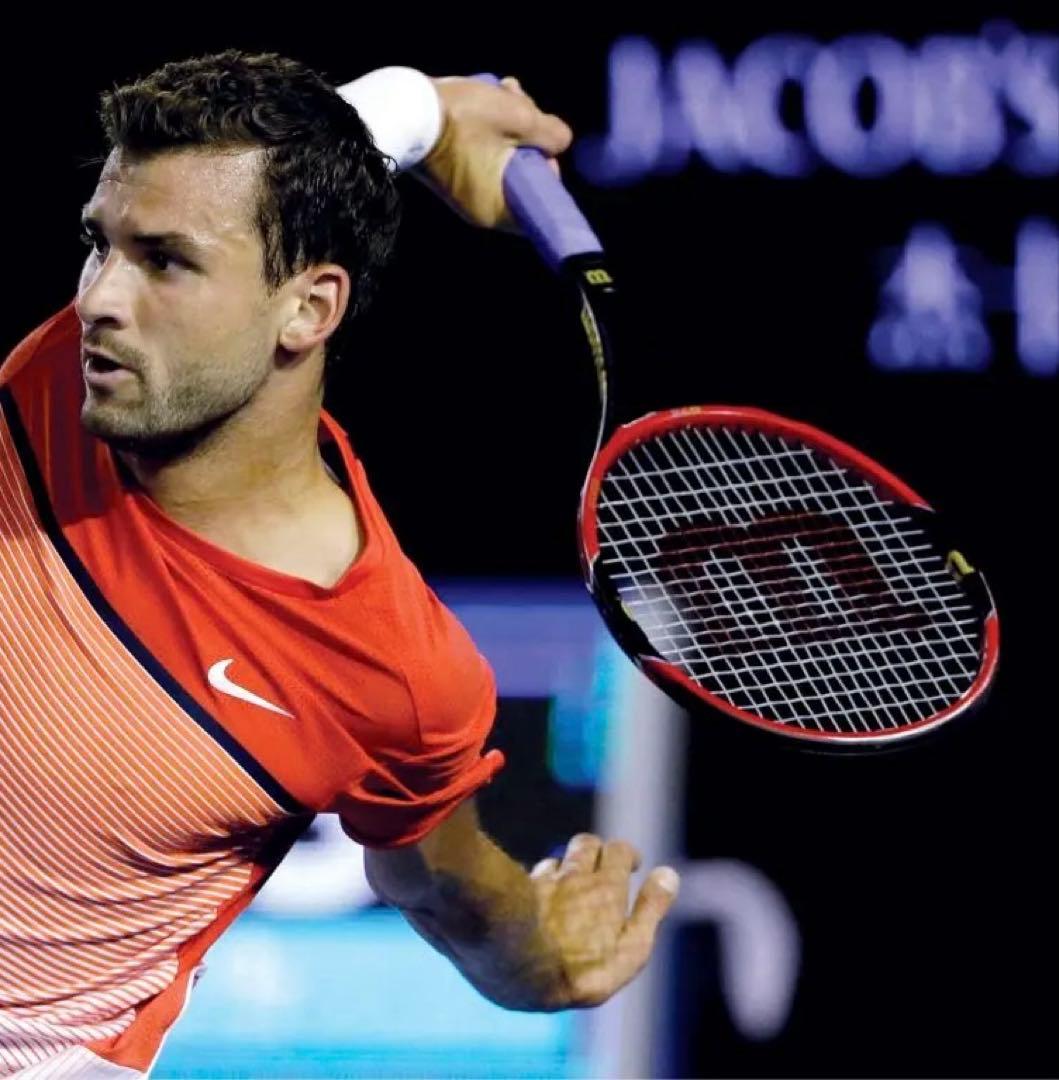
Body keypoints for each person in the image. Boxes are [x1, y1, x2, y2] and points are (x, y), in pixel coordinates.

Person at [0, 52, 679, 1078]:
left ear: (310, 311)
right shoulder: (71, 373)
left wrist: (545, 963)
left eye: (164, 263)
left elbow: (449, 894)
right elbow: (299, 160)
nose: (99, 298)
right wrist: (425, 107)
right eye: (101, 245)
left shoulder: (384, 668)